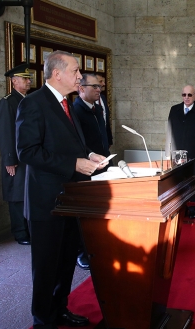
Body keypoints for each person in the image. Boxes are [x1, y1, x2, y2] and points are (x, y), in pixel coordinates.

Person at [16, 50, 109, 329]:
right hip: (47, 202)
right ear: (57, 74)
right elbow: (27, 152)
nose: (80, 76)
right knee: (46, 266)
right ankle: (42, 325)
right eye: (75, 70)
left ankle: (59, 310)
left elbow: (69, 145)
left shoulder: (67, 103)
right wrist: (73, 164)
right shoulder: (33, 103)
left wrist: (88, 155)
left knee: (66, 260)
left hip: (70, 199)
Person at [72, 73, 111, 270]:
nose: (99, 90)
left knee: (99, 209)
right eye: (94, 87)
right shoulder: (76, 110)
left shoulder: (96, 108)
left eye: (100, 87)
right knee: (86, 212)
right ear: (81, 88)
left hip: (102, 162)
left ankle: (97, 246)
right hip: (86, 168)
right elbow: (78, 144)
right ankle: (83, 252)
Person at [0, 63, 32, 246]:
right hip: (15, 158)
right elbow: (5, 132)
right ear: (14, 81)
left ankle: (29, 229)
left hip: (27, 156)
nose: (28, 81)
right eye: (24, 78)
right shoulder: (7, 102)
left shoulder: (27, 99)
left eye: (28, 78)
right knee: (16, 195)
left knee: (26, 194)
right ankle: (20, 233)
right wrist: (9, 159)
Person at [166, 84, 195, 219]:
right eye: (184, 95)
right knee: (178, 182)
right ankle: (180, 207)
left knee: (194, 182)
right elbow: (169, 132)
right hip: (177, 155)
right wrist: (168, 153)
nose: (186, 97)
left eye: (189, 95)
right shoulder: (174, 110)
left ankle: (193, 208)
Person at [95, 73, 113, 148]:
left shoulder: (103, 98)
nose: (104, 84)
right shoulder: (87, 101)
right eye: (101, 81)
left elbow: (106, 120)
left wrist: (109, 139)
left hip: (105, 141)